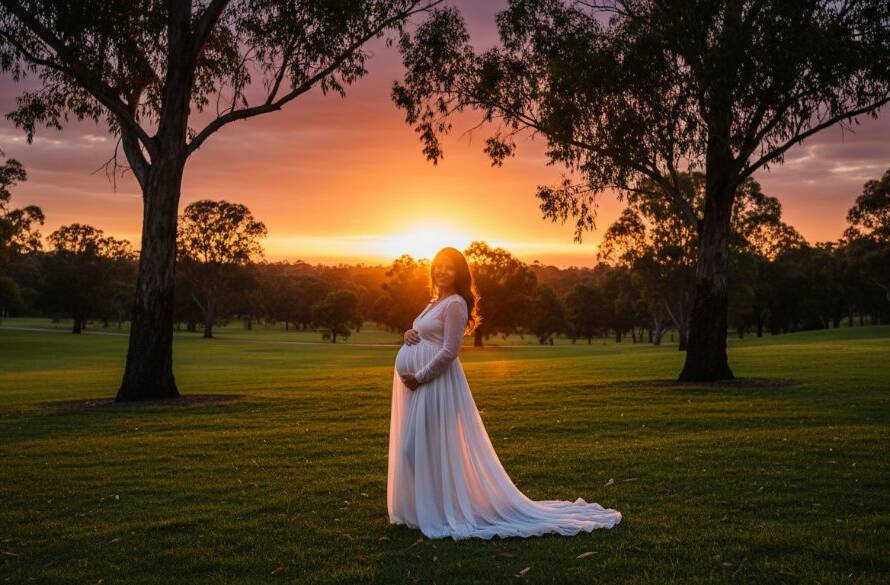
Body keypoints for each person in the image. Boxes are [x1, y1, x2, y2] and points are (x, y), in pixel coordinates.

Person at [388, 246, 622, 540]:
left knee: (416, 448)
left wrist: (420, 377)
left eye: (449, 267)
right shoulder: (434, 301)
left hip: (436, 385)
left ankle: (443, 509)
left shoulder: (456, 304)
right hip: (422, 386)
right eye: (438, 265)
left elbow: (450, 351)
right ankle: (432, 508)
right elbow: (419, 333)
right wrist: (408, 334)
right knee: (418, 448)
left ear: (459, 273)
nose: (441, 271)